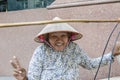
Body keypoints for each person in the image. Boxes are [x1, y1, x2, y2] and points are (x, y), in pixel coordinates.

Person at [10, 17, 120, 80]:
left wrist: (112, 54)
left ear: (69, 37)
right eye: (54, 36)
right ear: (47, 39)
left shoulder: (74, 49)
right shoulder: (40, 52)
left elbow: (90, 64)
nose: (59, 40)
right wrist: (24, 79)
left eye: (63, 36)